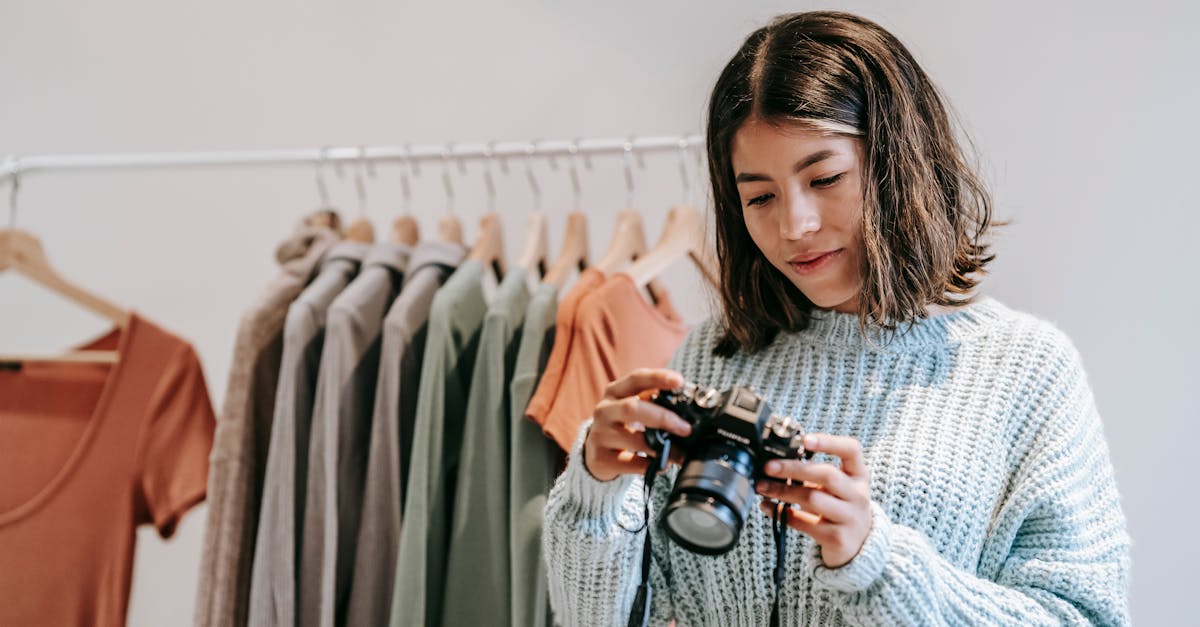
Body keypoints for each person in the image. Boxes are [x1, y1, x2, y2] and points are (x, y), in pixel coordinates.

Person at [543, 10, 1131, 627]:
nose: (794, 226)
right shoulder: (707, 359)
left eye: (824, 178)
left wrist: (879, 563)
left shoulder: (1026, 370)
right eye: (759, 197)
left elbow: (1083, 617)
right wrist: (595, 488)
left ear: (898, 165)